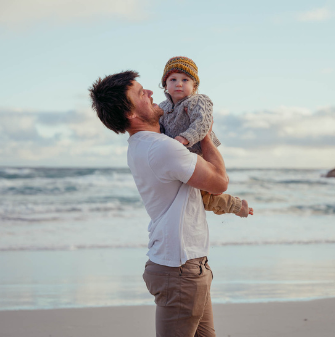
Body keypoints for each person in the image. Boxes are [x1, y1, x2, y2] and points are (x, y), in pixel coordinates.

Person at [89, 70, 251, 337]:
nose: (152, 92)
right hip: (181, 270)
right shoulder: (163, 148)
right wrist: (206, 134)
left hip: (185, 264)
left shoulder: (142, 144)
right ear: (130, 114)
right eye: (141, 93)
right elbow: (220, 182)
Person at [159, 56, 253, 217]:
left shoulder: (199, 101)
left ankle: (237, 206)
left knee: (205, 195)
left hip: (202, 153)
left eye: (185, 80)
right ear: (165, 85)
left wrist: (185, 137)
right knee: (199, 199)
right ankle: (234, 205)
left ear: (194, 85)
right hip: (183, 158)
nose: (179, 84)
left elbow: (203, 123)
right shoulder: (163, 107)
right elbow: (159, 128)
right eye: (173, 79)